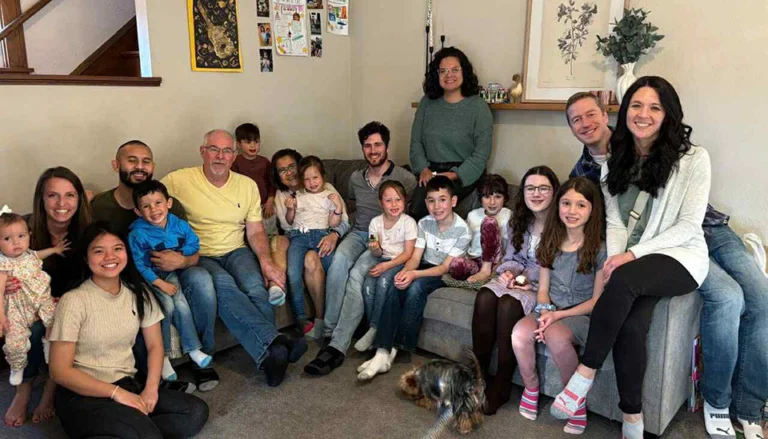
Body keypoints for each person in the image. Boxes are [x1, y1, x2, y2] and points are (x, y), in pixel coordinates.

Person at [565, 91, 768, 439]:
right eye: (576, 119)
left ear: (607, 112)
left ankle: (749, 407)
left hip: (707, 228)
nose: (586, 123)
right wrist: (618, 257)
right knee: (729, 298)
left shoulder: (640, 136)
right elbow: (607, 220)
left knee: (761, 298)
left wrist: (630, 255)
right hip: (662, 247)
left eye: (590, 114)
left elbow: (687, 213)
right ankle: (717, 401)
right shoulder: (585, 170)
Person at [551, 77, 711, 439]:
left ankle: (583, 376)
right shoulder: (614, 163)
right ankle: (632, 418)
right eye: (636, 106)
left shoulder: (693, 159)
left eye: (655, 107)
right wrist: (618, 255)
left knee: (624, 278)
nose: (644, 114)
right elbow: (616, 222)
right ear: (624, 113)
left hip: (681, 257)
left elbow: (689, 225)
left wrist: (631, 256)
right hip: (637, 264)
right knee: (632, 325)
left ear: (668, 114)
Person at [161, 129, 307, 388]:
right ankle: (273, 347)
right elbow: (151, 203)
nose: (220, 156)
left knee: (256, 287)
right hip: (200, 254)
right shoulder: (177, 180)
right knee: (225, 288)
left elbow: (255, 230)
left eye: (227, 150)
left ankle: (273, 355)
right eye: (214, 149)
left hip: (236, 250)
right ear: (202, 151)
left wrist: (266, 262)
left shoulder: (246, 185)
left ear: (234, 155)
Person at [48, 222, 209, 438]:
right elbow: (60, 371)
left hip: (127, 384)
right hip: (83, 395)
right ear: (86, 258)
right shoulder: (74, 300)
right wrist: (117, 394)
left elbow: (155, 346)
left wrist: (151, 389)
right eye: (99, 251)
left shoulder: (138, 294)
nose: (110, 256)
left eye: (117, 248)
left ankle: (123, 430)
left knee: (195, 411)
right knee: (145, 432)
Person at [305, 121, 416, 376]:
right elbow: (352, 213)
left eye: (378, 144)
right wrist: (335, 233)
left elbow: (412, 213)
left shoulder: (405, 178)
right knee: (339, 260)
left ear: (386, 146)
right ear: (363, 149)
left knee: (357, 273)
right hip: (359, 233)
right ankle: (331, 328)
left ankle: (337, 344)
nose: (373, 150)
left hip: (384, 238)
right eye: (368, 145)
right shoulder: (355, 177)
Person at [511, 177, 606, 435]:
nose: (572, 211)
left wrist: (557, 317)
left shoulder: (599, 248)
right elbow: (542, 289)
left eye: (580, 205)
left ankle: (575, 401)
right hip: (550, 310)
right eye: (566, 203)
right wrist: (544, 314)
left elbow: (596, 302)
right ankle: (531, 387)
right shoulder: (550, 242)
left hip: (580, 315)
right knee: (520, 333)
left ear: (592, 209)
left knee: (554, 335)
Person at [357, 176, 471, 381]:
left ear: (453, 201)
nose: (436, 206)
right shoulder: (424, 223)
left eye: (442, 200)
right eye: (431, 200)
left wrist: (414, 274)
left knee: (416, 287)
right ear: (425, 202)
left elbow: (444, 267)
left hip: (444, 273)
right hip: (423, 264)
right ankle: (381, 351)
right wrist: (405, 272)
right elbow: (416, 256)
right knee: (398, 282)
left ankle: (395, 348)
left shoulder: (463, 231)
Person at [4, 167, 92, 428]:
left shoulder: (87, 232)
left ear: (79, 199)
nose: (62, 204)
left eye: (70, 196)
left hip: (72, 303)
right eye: (53, 195)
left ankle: (51, 391)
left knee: (60, 326)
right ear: (41, 199)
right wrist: (5, 282)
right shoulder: (22, 230)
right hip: (28, 305)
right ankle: (23, 391)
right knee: (29, 330)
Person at [472, 166, 560, 415]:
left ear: (554, 192)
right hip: (515, 277)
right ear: (523, 192)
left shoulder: (561, 223)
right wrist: (509, 271)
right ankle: (477, 376)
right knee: (485, 296)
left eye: (544, 188)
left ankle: (502, 382)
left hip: (540, 283)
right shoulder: (518, 220)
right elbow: (511, 255)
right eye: (531, 188)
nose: (536, 193)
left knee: (509, 304)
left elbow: (554, 264)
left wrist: (524, 277)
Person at [127, 180, 213, 382]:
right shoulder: (137, 233)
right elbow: (139, 265)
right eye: (146, 206)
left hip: (171, 273)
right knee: (167, 306)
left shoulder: (179, 224)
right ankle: (162, 358)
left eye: (158, 203)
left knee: (181, 304)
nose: (154, 210)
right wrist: (159, 283)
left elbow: (194, 244)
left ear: (169, 203)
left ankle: (193, 350)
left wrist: (180, 256)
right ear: (138, 212)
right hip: (148, 279)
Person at [271, 148, 349, 340]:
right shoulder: (282, 196)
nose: (289, 172)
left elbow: (343, 218)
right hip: (298, 237)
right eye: (282, 170)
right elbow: (287, 226)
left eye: (292, 166)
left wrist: (334, 235)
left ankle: (328, 320)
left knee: (325, 263)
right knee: (299, 259)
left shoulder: (328, 189)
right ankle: (301, 314)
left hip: (325, 235)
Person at [409, 46, 492, 220]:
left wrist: (455, 174)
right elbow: (416, 142)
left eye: (455, 69)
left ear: (464, 72)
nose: (449, 75)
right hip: (431, 171)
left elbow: (481, 154)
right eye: (443, 71)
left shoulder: (478, 107)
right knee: (417, 211)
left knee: (442, 210)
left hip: (463, 172)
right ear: (436, 74)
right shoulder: (426, 104)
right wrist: (423, 169)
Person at [0, 210, 65, 385]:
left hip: (42, 298)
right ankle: (17, 365)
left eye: (21, 236)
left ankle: (49, 346)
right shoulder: (3, 263)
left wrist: (54, 249)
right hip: (16, 308)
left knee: (55, 320)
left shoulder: (28, 254)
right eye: (7, 239)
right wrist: (1, 315)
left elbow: (38, 255)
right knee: (15, 341)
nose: (16, 242)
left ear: (29, 235)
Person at [351, 181, 417, 352]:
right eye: (388, 200)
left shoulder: (409, 223)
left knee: (383, 282)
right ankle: (375, 327)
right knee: (367, 285)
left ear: (405, 201)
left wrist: (387, 266)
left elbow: (408, 253)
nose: (394, 204)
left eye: (398, 199)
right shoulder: (375, 223)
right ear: (381, 202)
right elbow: (377, 255)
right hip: (382, 260)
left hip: (399, 261)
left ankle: (373, 329)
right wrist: (376, 249)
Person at [232, 123, 284, 305]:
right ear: (239, 144)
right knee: (253, 240)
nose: (253, 146)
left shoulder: (265, 162)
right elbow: (233, 187)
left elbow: (272, 183)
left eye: (256, 141)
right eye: (247, 142)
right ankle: (260, 271)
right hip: (247, 210)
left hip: (265, 207)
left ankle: (273, 276)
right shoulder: (235, 163)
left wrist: (270, 199)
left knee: (271, 237)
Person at [91, 140, 187, 236]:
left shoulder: (168, 206)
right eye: (132, 160)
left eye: (146, 161)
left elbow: (189, 244)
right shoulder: (98, 205)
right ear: (116, 165)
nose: (140, 167)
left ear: (153, 167)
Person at [448, 174, 512, 283]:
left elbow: (511, 246)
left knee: (489, 222)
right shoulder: (473, 215)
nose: (492, 202)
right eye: (487, 197)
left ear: (504, 198)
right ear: (480, 198)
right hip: (474, 260)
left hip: (495, 262)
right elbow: (465, 240)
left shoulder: (508, 215)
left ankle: (486, 271)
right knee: (455, 265)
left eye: (497, 197)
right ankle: (479, 271)